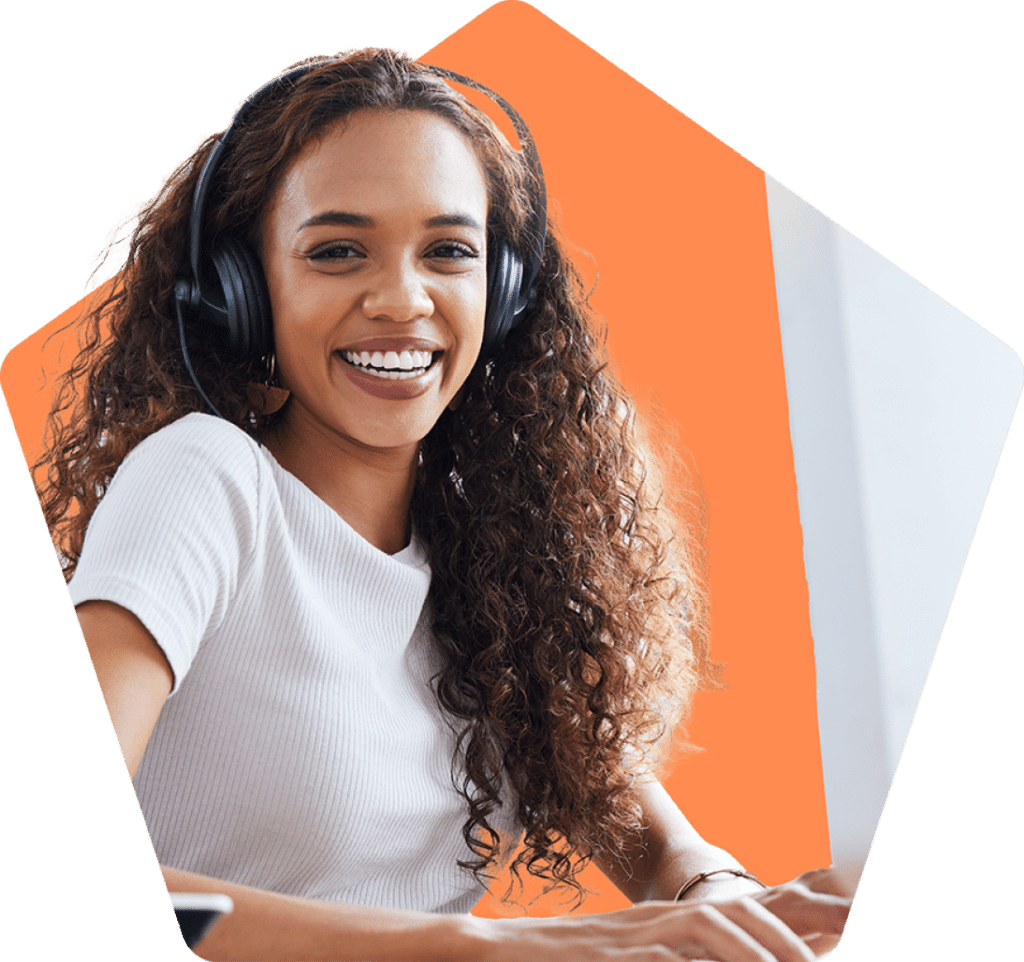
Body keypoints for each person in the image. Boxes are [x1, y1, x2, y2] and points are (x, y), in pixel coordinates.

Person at [36, 46, 851, 961]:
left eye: (449, 252)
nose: (402, 298)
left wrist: (732, 899)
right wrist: (499, 948)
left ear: (499, 297)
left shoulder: (492, 551)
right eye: (338, 251)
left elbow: (660, 846)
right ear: (246, 293)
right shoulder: (206, 480)